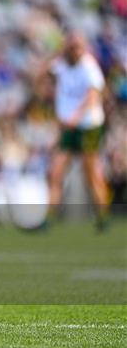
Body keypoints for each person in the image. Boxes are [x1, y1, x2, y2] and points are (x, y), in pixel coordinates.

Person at [41, 32, 109, 230]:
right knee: (55, 172)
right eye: (71, 47)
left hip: (88, 127)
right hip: (68, 128)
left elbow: (93, 97)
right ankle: (49, 217)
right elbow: (41, 74)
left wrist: (76, 118)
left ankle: (102, 216)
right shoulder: (61, 63)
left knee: (91, 173)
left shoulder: (89, 68)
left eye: (77, 47)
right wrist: (54, 52)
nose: (74, 51)